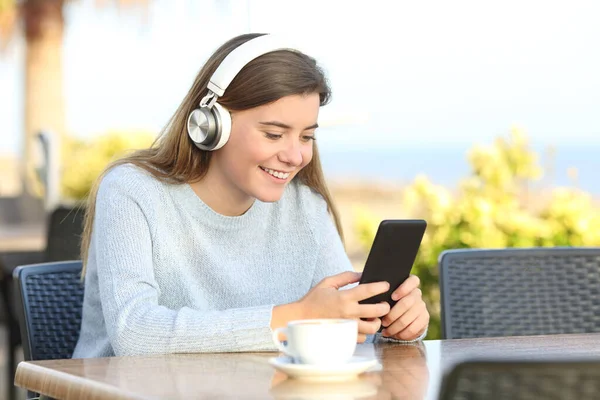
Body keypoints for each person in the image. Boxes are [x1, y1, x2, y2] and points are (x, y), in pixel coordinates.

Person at [72, 33, 429, 358]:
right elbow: (135, 335)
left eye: (306, 137)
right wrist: (296, 317)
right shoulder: (132, 191)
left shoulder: (306, 207)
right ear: (210, 125)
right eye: (274, 134)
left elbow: (345, 332)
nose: (295, 156)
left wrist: (394, 327)